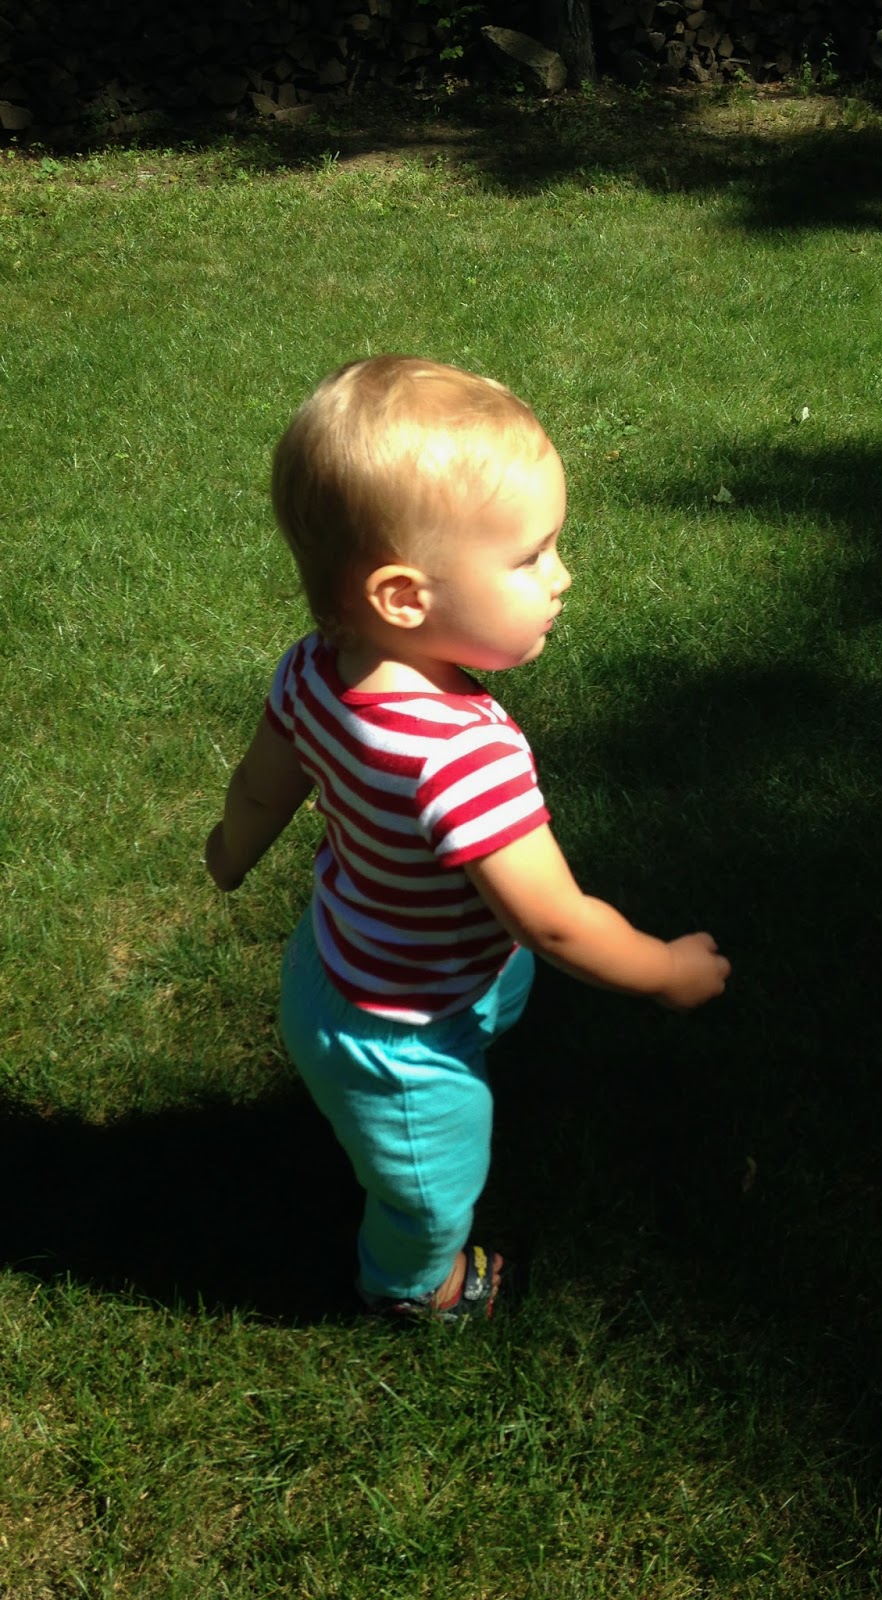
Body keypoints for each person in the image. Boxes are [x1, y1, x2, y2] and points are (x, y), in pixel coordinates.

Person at [205, 355, 730, 1321]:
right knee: (430, 1189)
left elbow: (260, 787)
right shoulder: (464, 758)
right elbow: (555, 923)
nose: (562, 578)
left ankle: (446, 1064)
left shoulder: (314, 668)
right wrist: (665, 972)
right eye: (530, 559)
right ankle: (416, 1285)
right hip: (397, 1038)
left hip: (335, 958)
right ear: (405, 598)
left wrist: (228, 854)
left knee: (483, 1002)